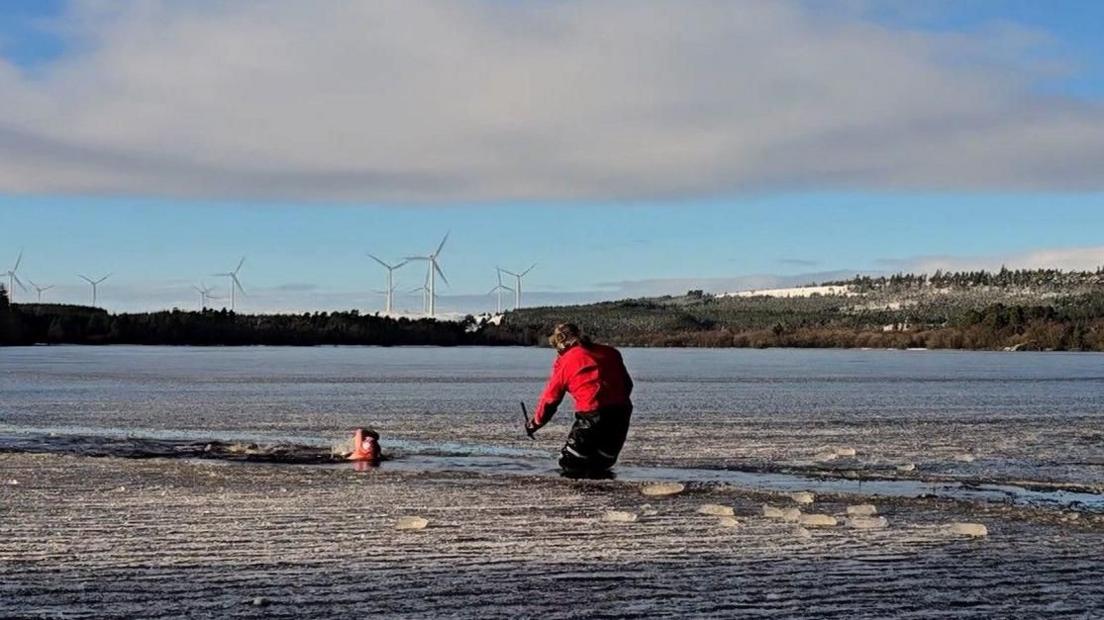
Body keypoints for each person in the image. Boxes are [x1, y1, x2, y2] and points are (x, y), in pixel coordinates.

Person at [526, 323, 634, 475]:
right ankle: (603, 495)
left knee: (572, 463)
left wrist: (535, 423)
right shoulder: (611, 353)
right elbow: (627, 385)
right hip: (621, 414)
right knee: (602, 463)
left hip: (592, 415)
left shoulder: (567, 361)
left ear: (560, 342)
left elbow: (550, 399)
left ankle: (578, 496)